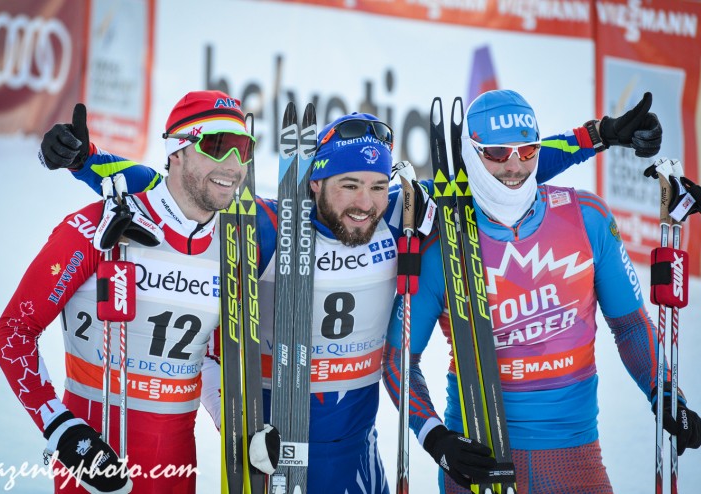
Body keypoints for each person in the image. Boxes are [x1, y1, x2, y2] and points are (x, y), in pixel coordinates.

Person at [36, 89, 662, 492]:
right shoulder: (273, 223)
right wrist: (86, 159)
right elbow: (170, 190)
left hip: (360, 443)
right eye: (347, 187)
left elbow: (508, 175)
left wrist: (597, 136)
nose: (364, 203)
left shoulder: (400, 215)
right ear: (314, 185)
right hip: (277, 437)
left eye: (374, 185)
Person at [381, 89, 701, 493]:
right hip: (478, 457)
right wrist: (435, 437)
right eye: (497, 153)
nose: (514, 166)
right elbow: (397, 358)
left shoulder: (586, 217)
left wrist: (665, 392)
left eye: (528, 150)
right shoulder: (439, 239)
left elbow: (631, 326)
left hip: (575, 456)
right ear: (469, 153)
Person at [0, 90, 269, 493]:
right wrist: (61, 428)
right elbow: (14, 330)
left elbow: (208, 357)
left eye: (243, 149)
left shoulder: (232, 250)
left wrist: (238, 431)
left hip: (176, 473)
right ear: (177, 150)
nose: (233, 164)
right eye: (216, 146)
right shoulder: (97, 228)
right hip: (96, 467)